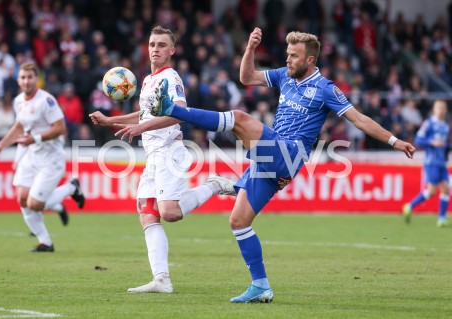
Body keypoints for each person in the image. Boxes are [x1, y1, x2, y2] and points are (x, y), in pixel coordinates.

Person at [147, 27, 416, 303]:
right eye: (287, 54)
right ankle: (261, 285)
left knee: (239, 118)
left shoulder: (325, 89)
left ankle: (173, 110)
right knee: (238, 222)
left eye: (294, 55)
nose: (288, 59)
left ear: (310, 60)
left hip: (290, 153)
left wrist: (394, 140)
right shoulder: (283, 77)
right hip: (269, 157)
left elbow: (359, 119)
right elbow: (246, 77)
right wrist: (250, 48)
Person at [89, 26, 235, 294]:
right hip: (153, 154)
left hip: (170, 151)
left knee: (170, 213)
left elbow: (180, 114)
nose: (155, 49)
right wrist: (111, 120)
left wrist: (141, 128)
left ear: (172, 51)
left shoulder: (171, 78)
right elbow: (143, 113)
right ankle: (161, 280)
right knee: (147, 214)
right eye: (152, 44)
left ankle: (213, 185)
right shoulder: (147, 80)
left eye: (161, 45)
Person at [0, 62, 85, 252]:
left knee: (35, 203)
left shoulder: (46, 101)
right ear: (18, 80)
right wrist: (1, 145)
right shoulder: (18, 101)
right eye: (23, 77)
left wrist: (35, 138)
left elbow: (60, 128)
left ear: (37, 79)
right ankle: (46, 243)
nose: (26, 81)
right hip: (31, 156)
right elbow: (19, 126)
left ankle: (71, 188)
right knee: (22, 199)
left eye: (30, 77)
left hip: (51, 158)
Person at [403, 100, 449, 227]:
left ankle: (441, 219)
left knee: (446, 189)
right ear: (434, 110)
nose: (441, 110)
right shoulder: (429, 123)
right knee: (432, 191)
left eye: (443, 107)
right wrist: (432, 142)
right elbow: (418, 139)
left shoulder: (445, 126)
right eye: (439, 107)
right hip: (431, 162)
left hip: (442, 163)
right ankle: (410, 206)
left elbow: (444, 145)